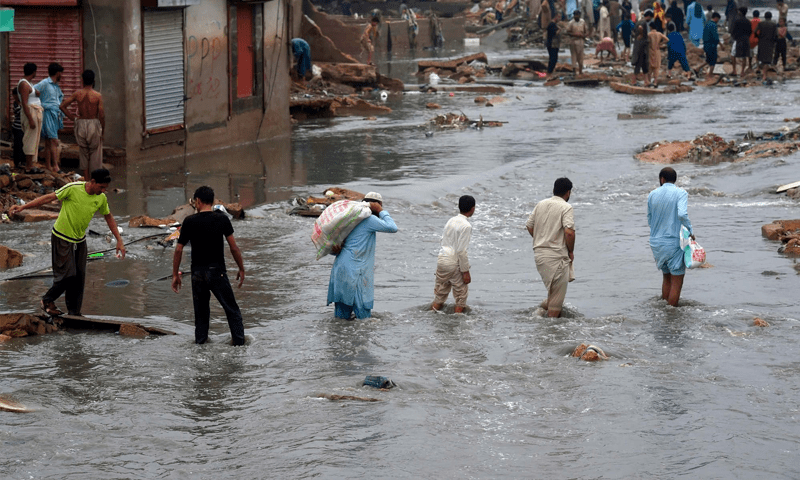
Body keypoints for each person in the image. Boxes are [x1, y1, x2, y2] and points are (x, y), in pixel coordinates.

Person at [7, 168, 125, 316]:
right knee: (68, 275)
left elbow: (109, 217)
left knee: (79, 278)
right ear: (92, 182)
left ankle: (74, 313)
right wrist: (23, 207)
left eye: (105, 188)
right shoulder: (73, 189)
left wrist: (119, 241)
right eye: (101, 187)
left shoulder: (100, 198)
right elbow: (48, 198)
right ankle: (47, 300)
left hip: (80, 240)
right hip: (61, 237)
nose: (103, 191)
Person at [172, 186, 246, 345]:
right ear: (212, 201)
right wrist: (241, 268)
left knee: (201, 315)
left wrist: (174, 274)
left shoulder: (189, 221)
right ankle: (240, 346)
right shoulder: (221, 219)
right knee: (232, 310)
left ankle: (200, 346)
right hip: (217, 272)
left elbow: (178, 250)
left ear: (198, 201)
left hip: (197, 274)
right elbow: (233, 247)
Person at [327, 192, 398, 319]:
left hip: (340, 269)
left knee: (341, 318)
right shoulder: (369, 219)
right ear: (377, 205)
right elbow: (392, 227)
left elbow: (335, 247)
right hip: (356, 272)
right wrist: (381, 211)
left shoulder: (348, 219)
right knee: (363, 318)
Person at [526, 177, 576, 318]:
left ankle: (540, 311)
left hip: (539, 255)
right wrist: (570, 251)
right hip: (556, 256)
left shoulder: (541, 204)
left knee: (554, 293)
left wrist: (541, 239)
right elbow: (569, 232)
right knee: (556, 304)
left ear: (554, 190)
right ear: (568, 192)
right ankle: (549, 334)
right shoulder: (566, 207)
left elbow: (529, 226)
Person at [647, 167, 693, 307]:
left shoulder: (652, 194)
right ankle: (671, 315)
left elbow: (650, 218)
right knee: (677, 281)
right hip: (673, 242)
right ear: (675, 179)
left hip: (656, 243)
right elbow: (682, 214)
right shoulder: (681, 193)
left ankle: (664, 310)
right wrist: (690, 231)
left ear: (662, 179)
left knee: (666, 277)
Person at [431, 195, 475, 314]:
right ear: (473, 209)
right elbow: (461, 251)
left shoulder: (451, 220)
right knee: (461, 296)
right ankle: (457, 322)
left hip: (442, 260)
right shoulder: (466, 226)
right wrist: (465, 271)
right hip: (453, 261)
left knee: (440, 295)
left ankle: (431, 317)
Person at [60, 70, 104, 181]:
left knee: (84, 152)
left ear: (82, 80)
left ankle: (87, 181)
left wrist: (74, 119)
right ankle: (95, 180)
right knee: (95, 154)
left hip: (81, 123)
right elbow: (102, 114)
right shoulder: (97, 95)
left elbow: (62, 106)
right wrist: (102, 129)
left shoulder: (77, 94)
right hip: (93, 123)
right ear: (93, 81)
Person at [34, 63, 65, 174]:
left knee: (48, 141)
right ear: (57, 73)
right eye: (61, 73)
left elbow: (60, 98)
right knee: (53, 140)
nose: (61, 75)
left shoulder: (56, 86)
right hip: (48, 114)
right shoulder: (45, 83)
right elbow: (32, 90)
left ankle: (48, 165)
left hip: (54, 114)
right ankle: (56, 166)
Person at [17, 62, 43, 175]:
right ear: (34, 72)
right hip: (30, 113)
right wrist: (31, 119)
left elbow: (30, 96)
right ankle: (28, 166)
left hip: (34, 111)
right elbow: (24, 103)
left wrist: (36, 93)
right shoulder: (24, 84)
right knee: (29, 139)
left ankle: (31, 164)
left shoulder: (29, 84)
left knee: (34, 139)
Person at [755, 11, 778, 80]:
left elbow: (755, 31)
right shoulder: (774, 24)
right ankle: (765, 72)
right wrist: (774, 41)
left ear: (765, 17)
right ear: (771, 17)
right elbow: (776, 34)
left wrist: (758, 37)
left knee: (761, 55)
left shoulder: (761, 23)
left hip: (762, 41)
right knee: (768, 57)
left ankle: (761, 69)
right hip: (770, 42)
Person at [631, 11, 652, 85]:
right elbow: (640, 28)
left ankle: (646, 81)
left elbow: (634, 30)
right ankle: (633, 81)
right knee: (639, 64)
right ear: (648, 16)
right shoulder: (643, 23)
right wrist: (642, 34)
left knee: (644, 65)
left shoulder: (638, 22)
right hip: (641, 47)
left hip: (639, 45)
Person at [731, 6, 753, 76]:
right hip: (746, 40)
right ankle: (742, 72)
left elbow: (733, 31)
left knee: (733, 55)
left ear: (740, 12)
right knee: (744, 56)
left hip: (738, 40)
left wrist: (735, 37)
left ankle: (734, 70)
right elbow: (750, 32)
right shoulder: (748, 22)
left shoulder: (736, 21)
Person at [699, 12, 721, 78]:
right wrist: (721, 44)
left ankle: (697, 68)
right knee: (713, 60)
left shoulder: (707, 23)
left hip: (706, 44)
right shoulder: (713, 25)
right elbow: (715, 37)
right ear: (716, 18)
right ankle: (710, 75)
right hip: (712, 45)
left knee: (708, 59)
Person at [566, 10, 588, 75]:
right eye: (575, 15)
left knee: (581, 57)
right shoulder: (571, 23)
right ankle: (574, 71)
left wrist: (584, 35)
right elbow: (568, 32)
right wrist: (575, 34)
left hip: (581, 41)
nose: (576, 16)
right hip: (573, 41)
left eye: (577, 15)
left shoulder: (582, 22)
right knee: (574, 56)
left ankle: (580, 71)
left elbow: (586, 31)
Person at [10, 87, 25, 169]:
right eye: (14, 96)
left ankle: (22, 162)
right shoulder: (16, 104)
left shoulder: (23, 102)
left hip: (23, 128)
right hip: (17, 128)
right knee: (17, 146)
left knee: (23, 146)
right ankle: (17, 163)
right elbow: (19, 112)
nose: (15, 97)